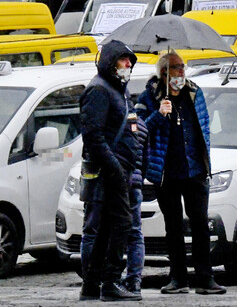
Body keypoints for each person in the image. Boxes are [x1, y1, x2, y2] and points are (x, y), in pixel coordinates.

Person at [136, 50, 226, 295]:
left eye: (183, 68)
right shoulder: (150, 97)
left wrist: (205, 159)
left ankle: (206, 278)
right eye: (176, 68)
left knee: (199, 224)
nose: (181, 72)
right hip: (167, 172)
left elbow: (204, 126)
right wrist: (159, 114)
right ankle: (178, 278)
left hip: (195, 168)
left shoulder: (194, 93)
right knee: (173, 226)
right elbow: (137, 130)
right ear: (164, 72)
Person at [79, 40, 141, 302]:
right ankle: (111, 282)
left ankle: (93, 283)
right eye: (123, 60)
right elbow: (92, 136)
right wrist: (115, 166)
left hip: (120, 168)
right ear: (110, 62)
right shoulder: (99, 90)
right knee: (121, 223)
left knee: (106, 226)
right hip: (110, 169)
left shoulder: (117, 89)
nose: (128, 65)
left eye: (130, 61)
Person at [122, 116, 149, 296]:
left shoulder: (117, 121)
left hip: (120, 182)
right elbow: (145, 159)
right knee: (135, 232)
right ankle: (134, 280)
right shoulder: (142, 126)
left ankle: (110, 278)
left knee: (112, 232)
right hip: (136, 184)